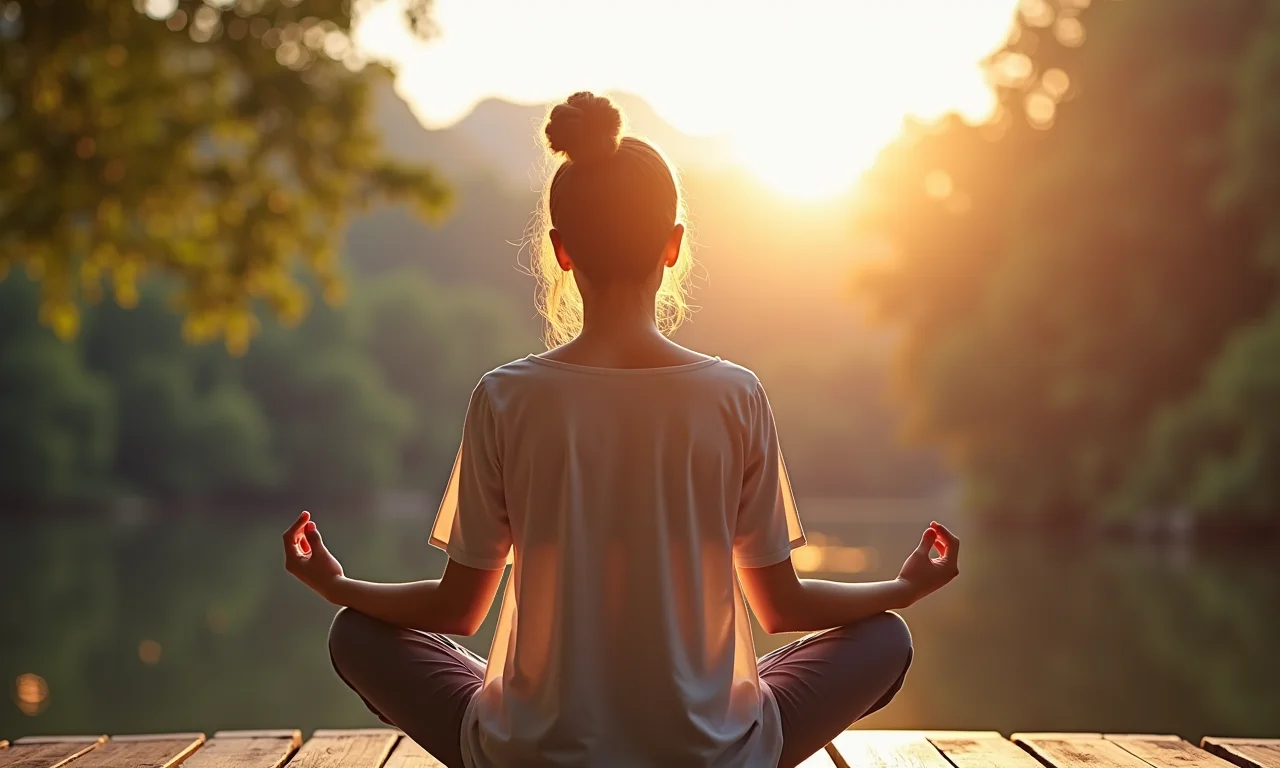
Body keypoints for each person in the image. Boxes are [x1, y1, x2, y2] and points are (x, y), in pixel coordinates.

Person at [282, 91, 960, 768]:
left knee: (356, 635)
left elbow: (459, 610)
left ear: (561, 251)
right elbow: (779, 605)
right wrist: (902, 589)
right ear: (672, 246)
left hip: (532, 756)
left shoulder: (505, 397)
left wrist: (338, 586)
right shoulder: (735, 395)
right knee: (884, 639)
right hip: (709, 757)